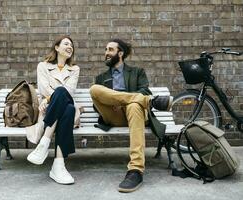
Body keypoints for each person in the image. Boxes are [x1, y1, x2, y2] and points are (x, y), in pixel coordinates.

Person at [90, 38, 173, 193]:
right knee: (94, 89)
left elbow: (145, 90)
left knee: (134, 105)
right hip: (113, 116)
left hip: (135, 115)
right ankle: (150, 102)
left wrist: (123, 101)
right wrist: (113, 101)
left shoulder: (137, 72)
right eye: (106, 50)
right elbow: (97, 105)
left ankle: (135, 170)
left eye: (110, 49)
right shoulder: (101, 78)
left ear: (120, 53)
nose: (106, 53)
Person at [26, 35, 80, 185]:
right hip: (51, 110)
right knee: (68, 109)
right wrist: (52, 97)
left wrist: (49, 98)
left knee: (63, 94)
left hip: (52, 106)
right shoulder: (43, 66)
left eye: (72, 45)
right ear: (57, 47)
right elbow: (43, 87)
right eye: (66, 44)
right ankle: (58, 166)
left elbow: (69, 91)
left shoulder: (74, 69)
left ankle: (44, 143)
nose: (70, 47)